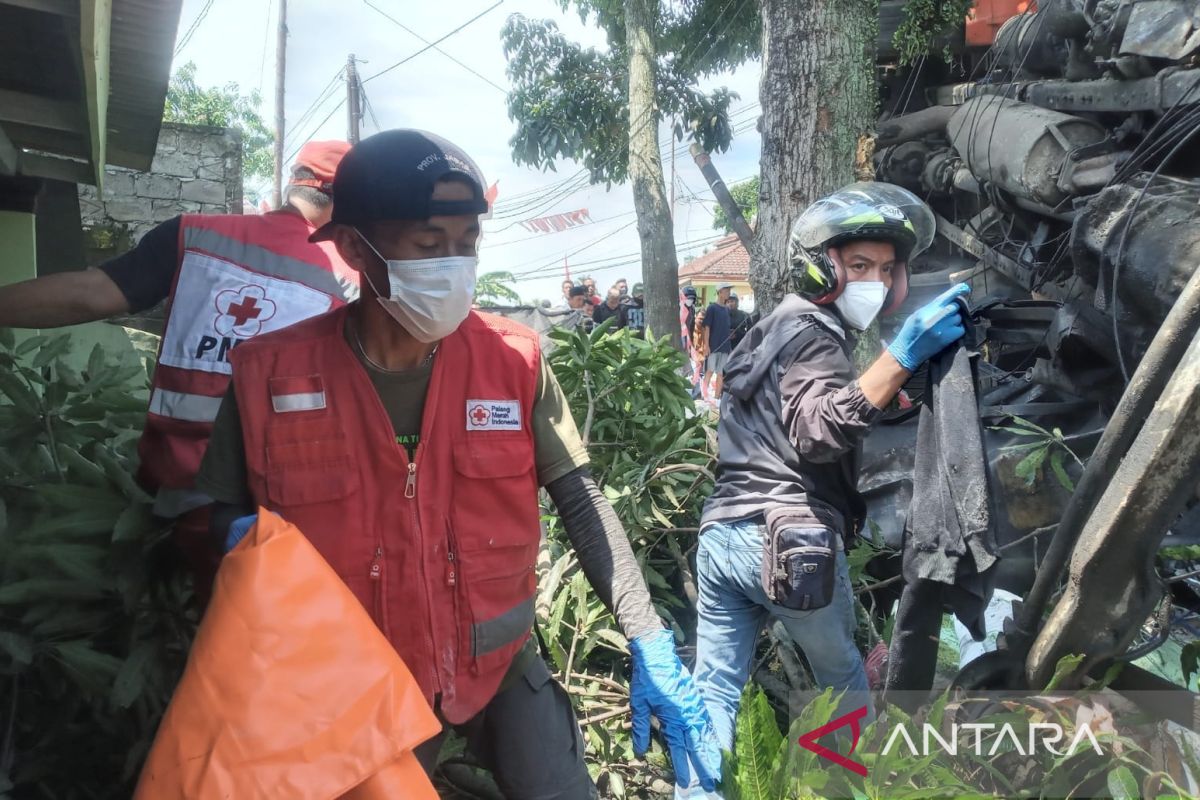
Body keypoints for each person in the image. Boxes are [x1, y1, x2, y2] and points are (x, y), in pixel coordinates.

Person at [195, 129, 721, 797]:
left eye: (466, 243)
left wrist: (648, 636)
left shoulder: (512, 361)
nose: (453, 263)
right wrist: (241, 543)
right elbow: (210, 512)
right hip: (353, 684)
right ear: (357, 248)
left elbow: (581, 502)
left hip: (494, 662)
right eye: (428, 245)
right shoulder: (269, 374)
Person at [0, 140, 356, 597]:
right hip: (271, 503)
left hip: (173, 485)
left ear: (293, 182)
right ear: (346, 203)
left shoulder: (195, 234)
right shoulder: (344, 280)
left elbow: (89, 294)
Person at [690, 182, 969, 756]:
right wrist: (901, 357)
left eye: (887, 268)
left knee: (714, 691)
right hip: (789, 542)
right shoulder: (819, 334)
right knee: (842, 681)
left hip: (721, 537)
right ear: (821, 269)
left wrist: (892, 390)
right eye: (860, 265)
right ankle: (853, 783)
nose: (878, 281)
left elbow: (782, 417)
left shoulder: (770, 329)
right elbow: (816, 432)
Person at [700, 283, 734, 399]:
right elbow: (707, 328)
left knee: (721, 373)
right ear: (720, 292)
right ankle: (704, 396)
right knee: (709, 371)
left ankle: (716, 397)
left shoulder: (727, 310)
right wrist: (706, 346)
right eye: (726, 291)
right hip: (713, 346)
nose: (728, 293)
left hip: (725, 347)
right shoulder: (712, 308)